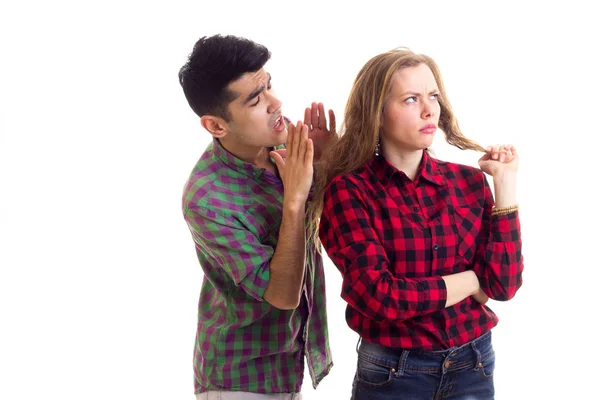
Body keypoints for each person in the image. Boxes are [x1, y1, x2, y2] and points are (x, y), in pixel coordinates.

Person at [309, 48, 524, 399]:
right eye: (411, 99)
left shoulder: (469, 182)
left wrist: (505, 184)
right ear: (376, 113)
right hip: (394, 373)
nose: (429, 110)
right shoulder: (351, 192)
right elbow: (380, 298)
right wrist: (471, 281)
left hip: (474, 364)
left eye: (433, 96)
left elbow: (503, 285)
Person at [178, 34, 335, 400]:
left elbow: (325, 220)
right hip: (239, 380)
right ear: (217, 126)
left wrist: (325, 163)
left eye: (269, 85)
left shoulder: (280, 140)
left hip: (288, 365)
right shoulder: (206, 199)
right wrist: (293, 200)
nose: (276, 102)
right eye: (255, 99)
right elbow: (282, 295)